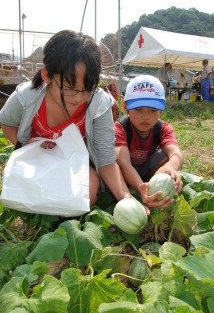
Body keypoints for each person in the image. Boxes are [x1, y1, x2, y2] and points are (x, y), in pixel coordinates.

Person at [0, 30, 133, 208]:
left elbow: (106, 160)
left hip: (75, 167)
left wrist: (125, 197)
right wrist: (23, 146)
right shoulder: (26, 97)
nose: (78, 97)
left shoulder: (99, 104)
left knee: (89, 192)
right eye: (69, 88)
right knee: (21, 189)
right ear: (47, 75)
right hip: (37, 162)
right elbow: (6, 122)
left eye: (88, 88)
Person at [114, 74, 184, 210]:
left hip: (146, 172)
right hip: (124, 172)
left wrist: (171, 167)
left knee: (166, 154)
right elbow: (124, 163)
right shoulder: (120, 128)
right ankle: (133, 189)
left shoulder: (163, 128)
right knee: (114, 162)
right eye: (139, 109)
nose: (145, 116)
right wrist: (141, 189)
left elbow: (176, 153)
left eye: (153, 110)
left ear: (161, 110)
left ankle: (152, 187)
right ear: (125, 107)